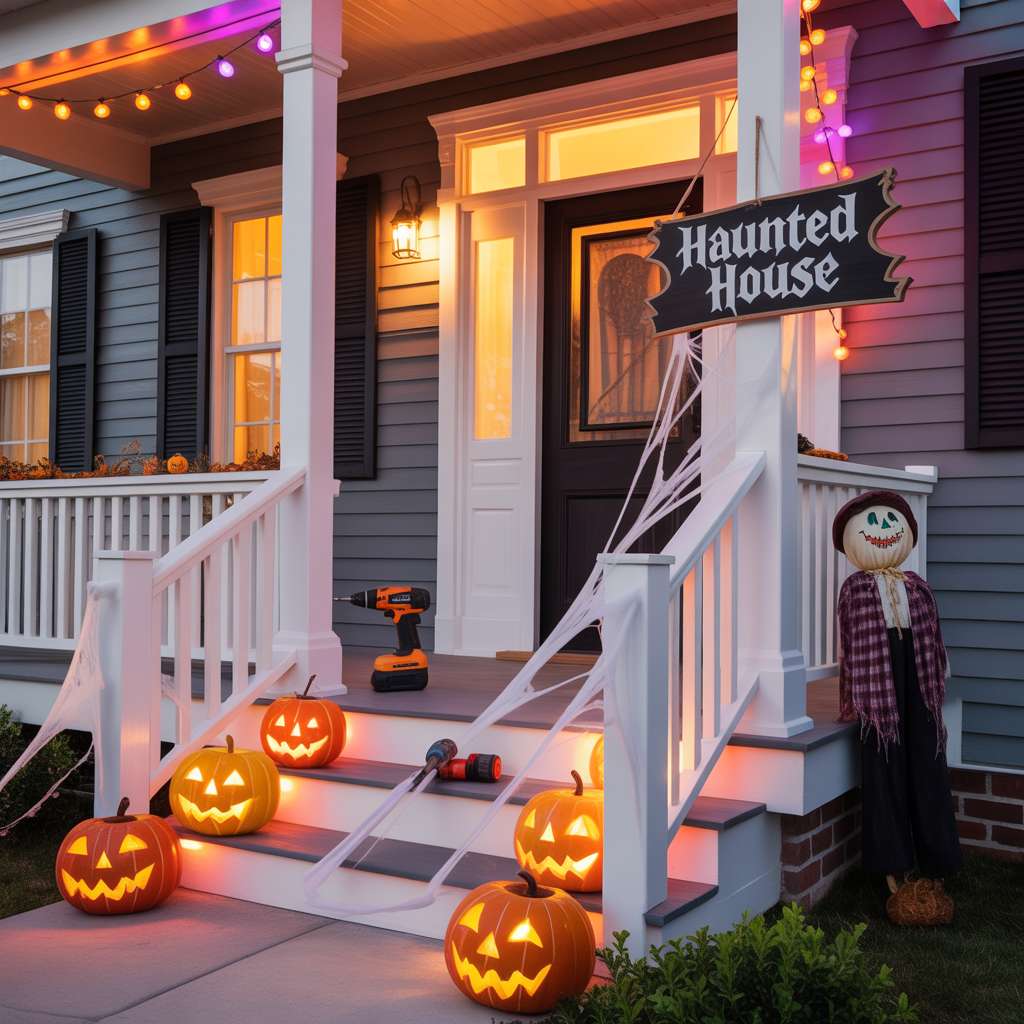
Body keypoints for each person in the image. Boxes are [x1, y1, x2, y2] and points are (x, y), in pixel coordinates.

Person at [833, 490, 963, 886]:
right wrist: (853, 697)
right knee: (883, 768)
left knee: (928, 765)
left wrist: (939, 678)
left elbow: (934, 639)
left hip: (919, 682)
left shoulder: (918, 587)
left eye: (891, 522)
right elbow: (850, 648)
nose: (884, 529)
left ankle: (938, 861)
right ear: (851, 538)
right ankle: (892, 863)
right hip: (879, 689)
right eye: (871, 523)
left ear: (906, 531)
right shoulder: (854, 590)